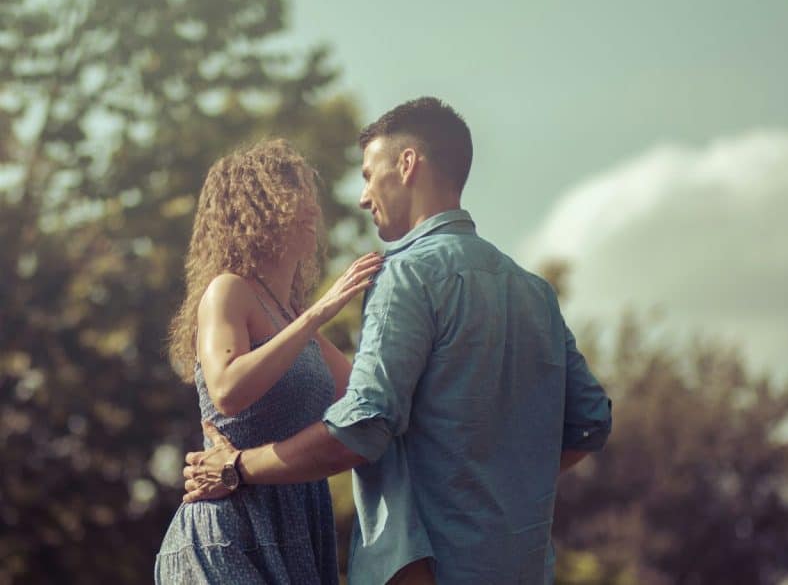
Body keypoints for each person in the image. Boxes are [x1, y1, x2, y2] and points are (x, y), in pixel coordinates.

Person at [181, 97, 613, 584]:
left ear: (407, 165)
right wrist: (504, 485)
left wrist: (237, 466)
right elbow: (590, 423)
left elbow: (361, 427)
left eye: (368, 174)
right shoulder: (536, 293)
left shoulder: (404, 276)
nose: (363, 196)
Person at [155, 139, 383, 583]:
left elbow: (369, 400)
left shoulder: (295, 321)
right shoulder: (228, 290)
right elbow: (226, 391)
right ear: (256, 207)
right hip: (227, 534)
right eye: (295, 194)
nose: (313, 211)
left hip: (298, 534)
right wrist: (321, 311)